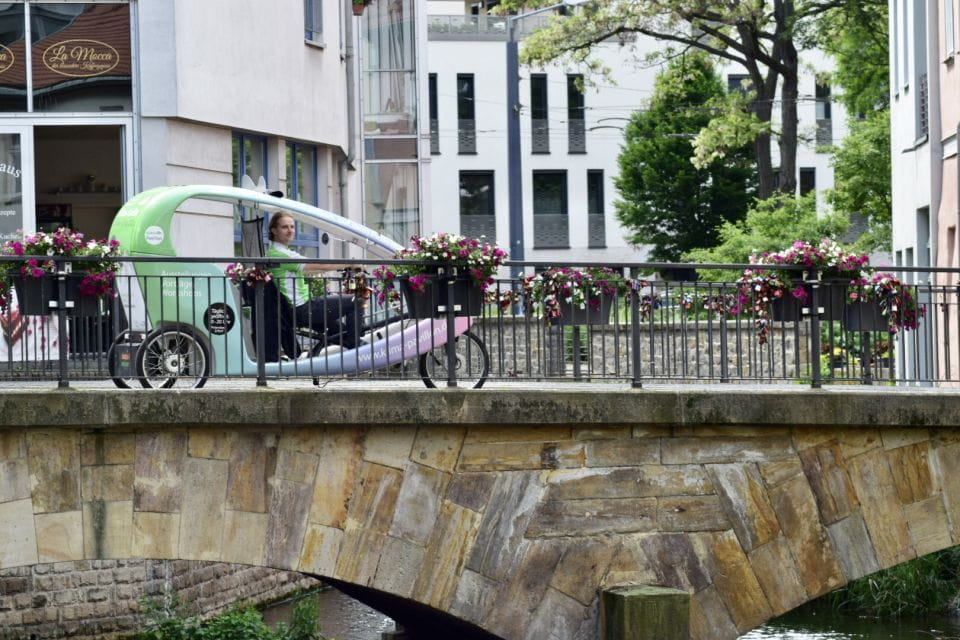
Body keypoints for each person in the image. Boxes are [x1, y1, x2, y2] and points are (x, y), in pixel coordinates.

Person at [266, 211, 364, 350]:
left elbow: (310, 269)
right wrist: (349, 263)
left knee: (341, 332)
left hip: (299, 309)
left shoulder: (278, 252)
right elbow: (319, 265)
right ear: (274, 230)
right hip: (303, 309)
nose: (290, 231)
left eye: (292, 227)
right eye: (284, 227)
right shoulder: (280, 254)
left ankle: (352, 349)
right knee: (356, 301)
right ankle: (357, 350)